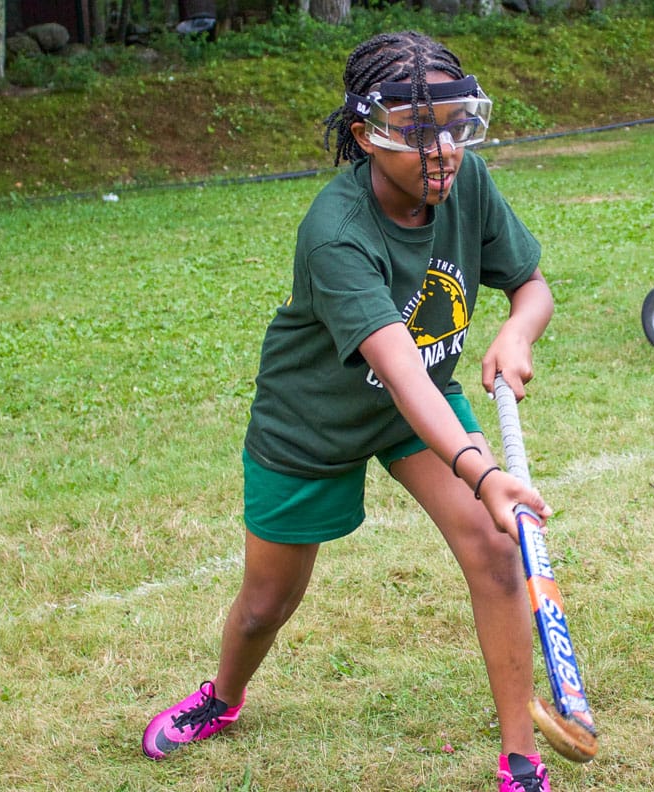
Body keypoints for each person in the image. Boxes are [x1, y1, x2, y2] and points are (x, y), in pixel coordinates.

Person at [142, 30, 558, 792]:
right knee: (267, 603)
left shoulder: (465, 183)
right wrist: (486, 473)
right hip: (312, 424)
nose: (443, 154)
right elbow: (398, 371)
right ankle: (223, 698)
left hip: (419, 412)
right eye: (417, 135)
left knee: (496, 552)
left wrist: (516, 331)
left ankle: (521, 761)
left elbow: (531, 287)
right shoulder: (335, 233)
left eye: (458, 127)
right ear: (366, 135)